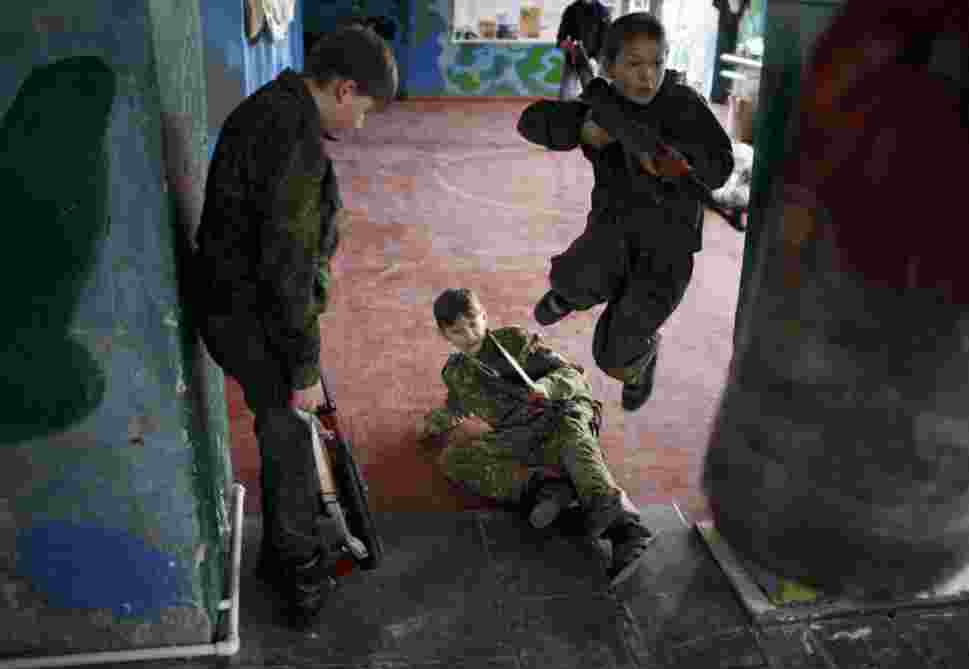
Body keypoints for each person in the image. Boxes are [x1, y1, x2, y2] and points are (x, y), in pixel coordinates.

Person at [191, 26, 398, 628]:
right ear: (343, 88)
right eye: (363, 109)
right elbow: (286, 266)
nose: (360, 123)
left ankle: (282, 557)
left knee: (294, 427)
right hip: (247, 312)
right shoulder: (292, 139)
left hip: (242, 303)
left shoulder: (277, 110)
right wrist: (303, 368)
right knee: (291, 430)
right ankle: (297, 573)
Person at [517, 12, 734, 411]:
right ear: (610, 68)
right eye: (634, 64)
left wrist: (684, 161)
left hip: (668, 249)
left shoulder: (685, 104)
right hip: (611, 231)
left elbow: (721, 165)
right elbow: (530, 121)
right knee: (578, 274)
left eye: (657, 63)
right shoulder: (603, 103)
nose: (647, 76)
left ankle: (641, 363)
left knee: (615, 351)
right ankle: (568, 296)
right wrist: (582, 128)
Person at [415, 288, 657, 586]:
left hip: (560, 410)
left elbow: (573, 376)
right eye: (458, 331)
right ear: (444, 335)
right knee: (455, 460)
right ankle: (547, 488)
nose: (469, 334)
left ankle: (627, 532)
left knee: (575, 447)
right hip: (520, 432)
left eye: (473, 323)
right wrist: (434, 424)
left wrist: (546, 387)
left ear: (484, 317)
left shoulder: (514, 343)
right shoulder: (457, 373)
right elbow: (457, 405)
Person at [556, 0, 611, 101]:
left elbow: (606, 39)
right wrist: (565, 44)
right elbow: (561, 35)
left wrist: (596, 60)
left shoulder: (602, 12)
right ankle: (564, 114)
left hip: (591, 61)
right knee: (565, 93)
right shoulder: (571, 10)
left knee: (591, 95)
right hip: (572, 58)